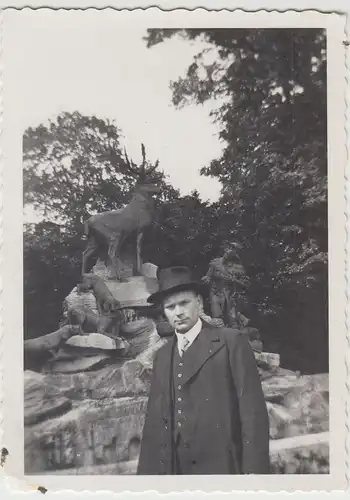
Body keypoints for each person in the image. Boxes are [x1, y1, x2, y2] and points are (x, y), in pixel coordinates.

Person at [137, 266, 269, 475]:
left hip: (222, 468)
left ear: (198, 302)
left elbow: (252, 413)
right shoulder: (162, 356)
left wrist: (254, 473)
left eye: (184, 303)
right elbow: (153, 425)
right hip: (177, 471)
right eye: (170, 307)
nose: (178, 312)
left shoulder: (230, 342)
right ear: (164, 312)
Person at [202, 241, 249, 327]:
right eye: (230, 248)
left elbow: (246, 284)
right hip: (215, 294)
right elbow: (208, 276)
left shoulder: (237, 267)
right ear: (225, 249)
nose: (230, 251)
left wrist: (233, 280)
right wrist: (206, 279)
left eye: (234, 250)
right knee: (217, 320)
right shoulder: (215, 263)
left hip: (230, 297)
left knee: (233, 322)